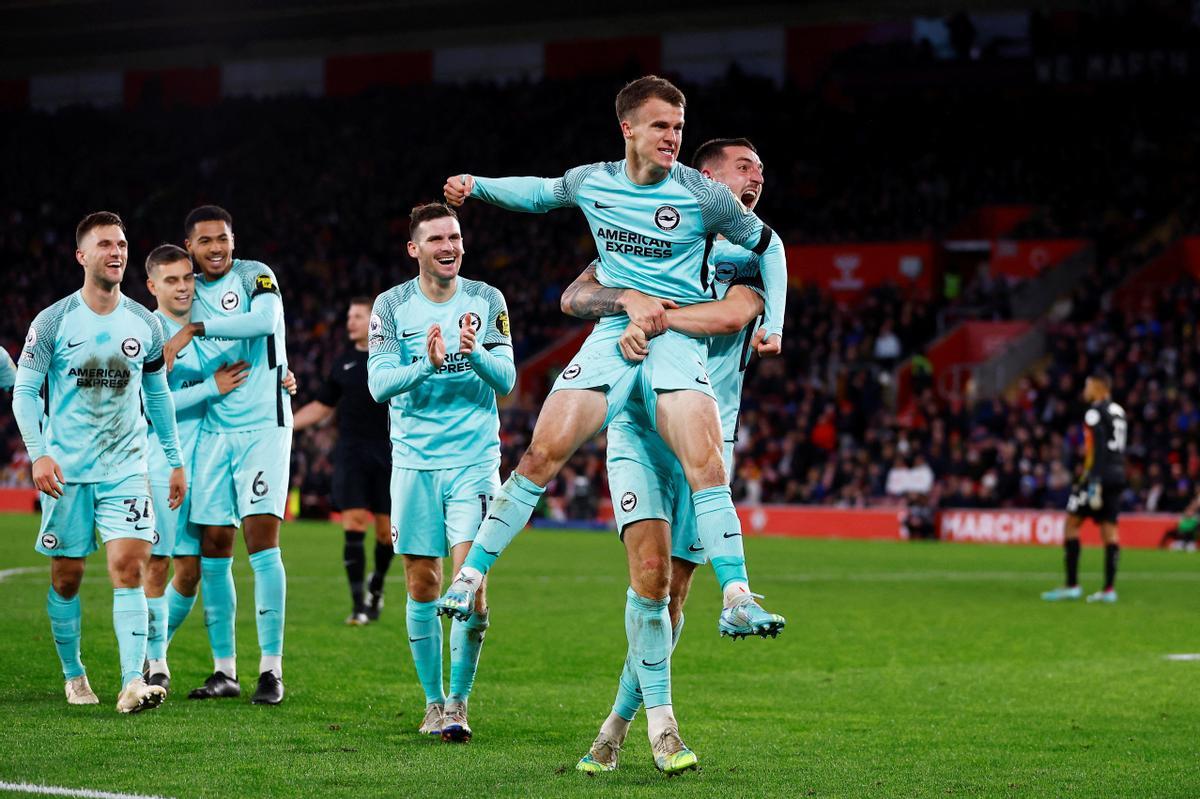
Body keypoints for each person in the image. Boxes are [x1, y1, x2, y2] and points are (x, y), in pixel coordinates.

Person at [561, 138, 773, 773]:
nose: (757, 177)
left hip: (708, 443)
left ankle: (615, 726)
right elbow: (573, 296)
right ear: (702, 179)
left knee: (674, 596)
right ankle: (659, 728)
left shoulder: (747, 254)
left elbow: (735, 315)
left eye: (762, 169)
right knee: (648, 581)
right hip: (637, 431)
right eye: (744, 167)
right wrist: (624, 299)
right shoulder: (641, 236)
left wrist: (654, 313)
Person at [12, 211, 186, 713]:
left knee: (128, 567)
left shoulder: (145, 323)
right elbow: (25, 392)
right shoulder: (53, 321)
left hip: (126, 468)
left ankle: (133, 681)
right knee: (66, 577)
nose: (117, 253)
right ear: (82, 256)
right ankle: (74, 674)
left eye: (123, 244)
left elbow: (158, 396)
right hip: (67, 473)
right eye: (106, 245)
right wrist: (39, 454)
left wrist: (173, 460)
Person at [368, 203, 515, 743]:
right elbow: (378, 385)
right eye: (436, 239)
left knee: (471, 589)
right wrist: (425, 366)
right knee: (421, 583)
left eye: (454, 236)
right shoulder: (392, 306)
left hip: (474, 462)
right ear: (415, 249)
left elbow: (508, 380)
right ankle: (432, 703)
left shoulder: (487, 300)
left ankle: (458, 704)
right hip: (412, 463)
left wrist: (473, 355)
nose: (448, 245)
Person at [142, 244, 298, 690]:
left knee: (191, 572)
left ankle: (174, 659)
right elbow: (146, 404)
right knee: (157, 565)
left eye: (186, 279)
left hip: (206, 454)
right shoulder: (150, 332)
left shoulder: (209, 314)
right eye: (171, 281)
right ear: (152, 286)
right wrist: (209, 387)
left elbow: (260, 340)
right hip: (163, 463)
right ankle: (150, 662)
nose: (183, 287)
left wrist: (281, 374)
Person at [293, 298, 394, 625]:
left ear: (373, 320)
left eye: (358, 316)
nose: (350, 321)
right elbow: (322, 407)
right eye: (349, 315)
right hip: (351, 452)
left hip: (389, 452)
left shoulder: (393, 358)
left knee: (385, 533)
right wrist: (285, 424)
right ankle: (358, 607)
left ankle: (376, 585)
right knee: (352, 524)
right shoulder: (343, 363)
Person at [1042, 371, 1127, 603]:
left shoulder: (1093, 413)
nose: (1085, 390)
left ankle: (1072, 585)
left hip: (1098, 476)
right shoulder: (1119, 411)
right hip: (1118, 475)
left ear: (1099, 388)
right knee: (1110, 530)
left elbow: (1097, 448)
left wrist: (1094, 480)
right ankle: (1109, 590)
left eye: (1088, 385)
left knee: (1071, 523)